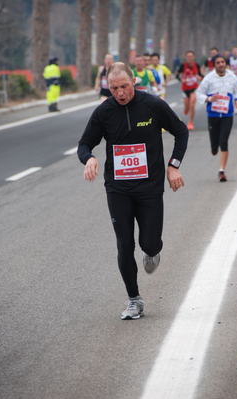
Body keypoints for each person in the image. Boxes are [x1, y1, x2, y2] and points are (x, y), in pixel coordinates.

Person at [77, 62, 189, 320]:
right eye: (114, 88)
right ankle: (134, 299)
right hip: (118, 188)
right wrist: (89, 159)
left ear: (134, 81)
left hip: (149, 187)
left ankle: (152, 250)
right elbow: (84, 144)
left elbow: (180, 132)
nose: (120, 93)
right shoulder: (104, 112)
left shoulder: (153, 105)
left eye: (124, 86)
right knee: (124, 244)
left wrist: (174, 166)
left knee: (148, 244)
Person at [196, 54, 237, 182]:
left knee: (224, 142)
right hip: (213, 114)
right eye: (218, 62)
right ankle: (214, 147)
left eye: (222, 62)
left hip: (227, 114)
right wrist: (210, 99)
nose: (221, 64)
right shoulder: (209, 78)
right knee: (215, 147)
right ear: (214, 65)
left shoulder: (232, 77)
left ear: (226, 63)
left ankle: (222, 170)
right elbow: (199, 93)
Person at [176, 50, 203, 130]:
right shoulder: (183, 66)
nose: (189, 58)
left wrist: (200, 78)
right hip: (185, 89)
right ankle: (186, 109)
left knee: (192, 104)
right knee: (187, 108)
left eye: (191, 56)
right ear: (186, 58)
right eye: (188, 56)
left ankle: (190, 122)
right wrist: (181, 80)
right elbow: (177, 75)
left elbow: (200, 75)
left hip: (194, 88)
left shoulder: (196, 65)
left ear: (194, 57)